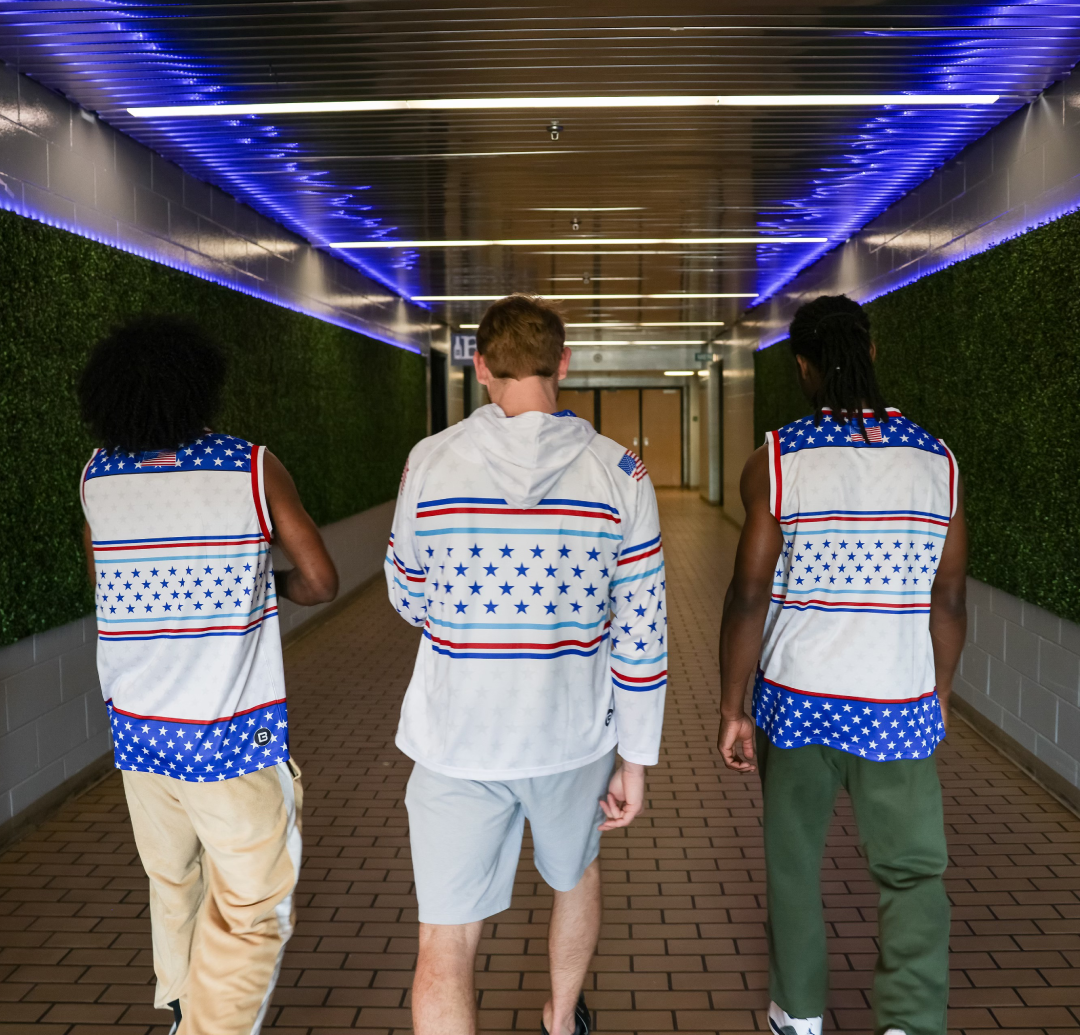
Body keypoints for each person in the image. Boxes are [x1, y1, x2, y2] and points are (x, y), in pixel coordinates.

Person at [386, 294, 667, 1035]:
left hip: (454, 739)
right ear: (564, 364)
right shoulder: (622, 474)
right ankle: (560, 1016)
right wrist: (635, 758)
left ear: (480, 368)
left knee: (444, 941)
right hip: (570, 735)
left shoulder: (429, 462)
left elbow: (409, 596)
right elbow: (641, 630)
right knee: (575, 877)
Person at [78, 317, 338, 1035]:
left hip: (138, 733)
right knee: (254, 915)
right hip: (231, 738)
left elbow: (106, 590)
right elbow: (319, 581)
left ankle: (181, 1009)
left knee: (174, 884)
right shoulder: (248, 467)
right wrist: (262, 585)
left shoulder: (98, 476)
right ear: (202, 387)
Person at [716, 295, 967, 1035]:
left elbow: (748, 593)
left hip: (799, 699)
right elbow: (948, 599)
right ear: (874, 353)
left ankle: (798, 1015)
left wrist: (733, 705)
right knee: (913, 870)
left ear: (802, 366)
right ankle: (911, 1021)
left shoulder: (778, 460)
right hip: (897, 698)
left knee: (795, 866)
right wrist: (940, 694)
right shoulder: (937, 461)